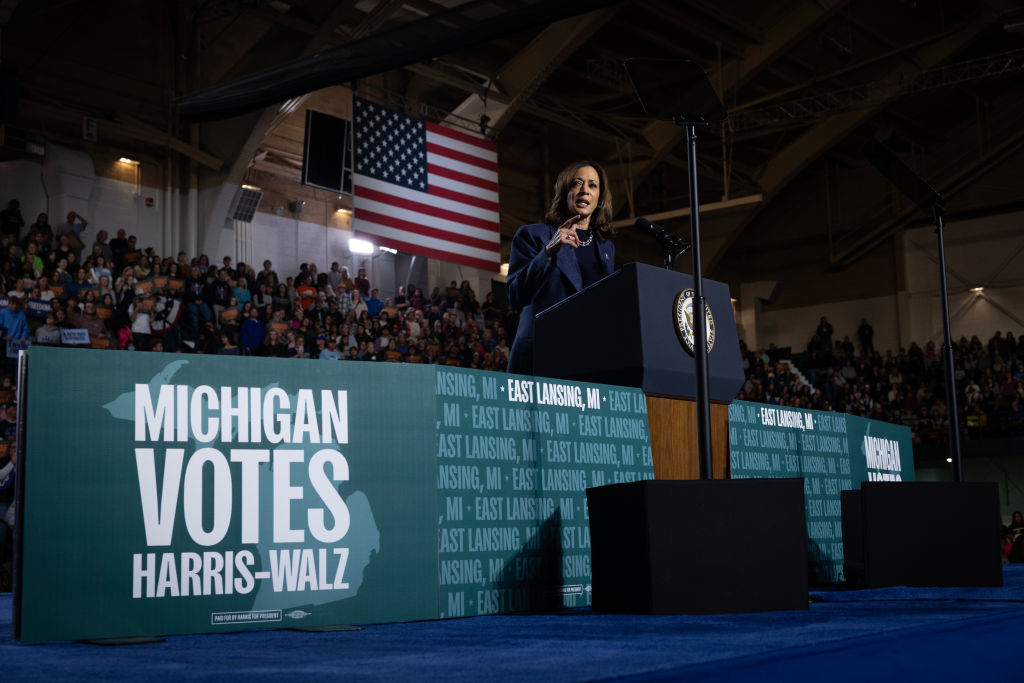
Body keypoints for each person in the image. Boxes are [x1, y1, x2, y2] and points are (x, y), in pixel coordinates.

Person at [505, 160, 615, 374]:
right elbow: (515, 295)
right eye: (577, 183)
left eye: (593, 185)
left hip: (587, 358)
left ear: (600, 198)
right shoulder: (533, 235)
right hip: (541, 354)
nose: (585, 191)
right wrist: (547, 253)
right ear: (565, 191)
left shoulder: (606, 247)